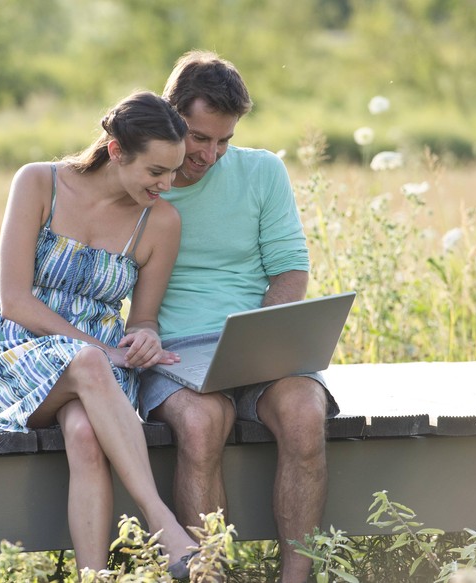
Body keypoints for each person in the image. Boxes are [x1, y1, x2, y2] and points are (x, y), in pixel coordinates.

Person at [0, 91, 197, 579]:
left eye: (174, 172)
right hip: (19, 350)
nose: (167, 184)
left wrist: (145, 341)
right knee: (89, 365)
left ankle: (92, 577)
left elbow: (142, 319)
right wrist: (104, 351)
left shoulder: (161, 221)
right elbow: (14, 300)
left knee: (83, 432)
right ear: (117, 151)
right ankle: (164, 525)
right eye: (156, 172)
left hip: (100, 368)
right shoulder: (38, 183)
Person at [137, 50, 341, 583]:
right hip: (175, 350)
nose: (210, 153)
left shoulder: (262, 171)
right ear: (170, 112)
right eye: (199, 138)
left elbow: (290, 270)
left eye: (223, 139)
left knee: (305, 414)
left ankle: (296, 577)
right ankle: (210, 576)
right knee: (203, 424)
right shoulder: (142, 179)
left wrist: (265, 338)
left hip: (254, 342)